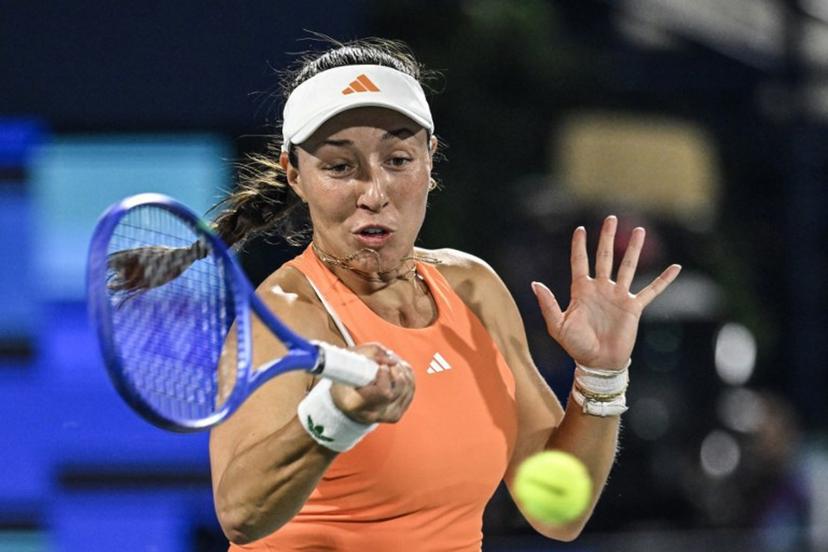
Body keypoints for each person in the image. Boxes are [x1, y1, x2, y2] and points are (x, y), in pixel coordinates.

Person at [208, 38, 681, 551]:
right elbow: (240, 514)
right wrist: (335, 416)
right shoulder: (282, 317)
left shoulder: (471, 288)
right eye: (340, 167)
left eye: (397, 159)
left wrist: (602, 375)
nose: (374, 192)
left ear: (430, 161)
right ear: (295, 174)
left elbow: (557, 511)